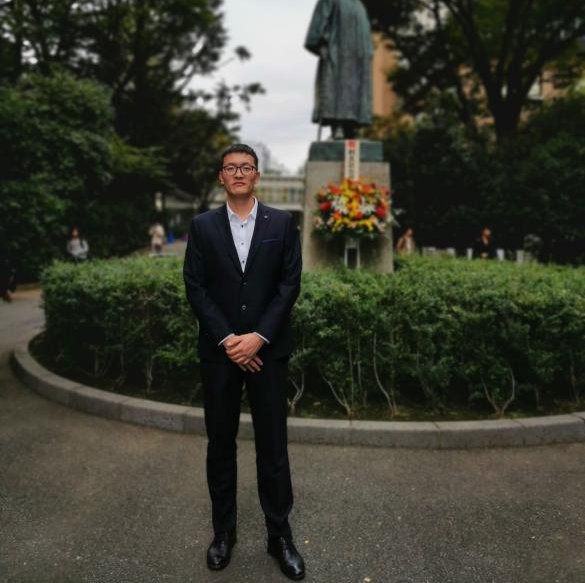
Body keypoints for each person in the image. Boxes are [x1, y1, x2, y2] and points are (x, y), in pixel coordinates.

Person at [183, 144, 305, 580]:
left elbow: (289, 284)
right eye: (231, 167)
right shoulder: (202, 226)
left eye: (246, 167)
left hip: (267, 352)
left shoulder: (282, 223)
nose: (238, 173)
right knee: (220, 445)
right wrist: (229, 340)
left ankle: (279, 536)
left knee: (273, 447)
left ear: (256, 175)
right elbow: (195, 286)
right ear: (221, 176)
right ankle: (223, 533)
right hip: (220, 354)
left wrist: (258, 338)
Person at [305, 0, 374, 139]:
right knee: (337, 87)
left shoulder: (359, 5)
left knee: (355, 91)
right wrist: (320, 45)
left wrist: (367, 53)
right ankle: (338, 125)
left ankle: (351, 127)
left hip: (358, 58)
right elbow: (317, 27)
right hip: (337, 52)